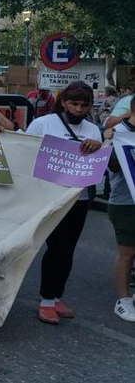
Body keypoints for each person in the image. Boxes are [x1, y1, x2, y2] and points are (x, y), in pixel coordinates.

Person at [24, 81, 103, 324]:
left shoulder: (92, 129)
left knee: (68, 250)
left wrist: (98, 148)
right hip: (49, 197)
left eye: (84, 104)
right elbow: (26, 152)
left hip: (78, 198)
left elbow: (97, 163)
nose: (79, 109)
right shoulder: (42, 124)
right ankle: (46, 300)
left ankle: (57, 296)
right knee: (57, 248)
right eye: (74, 103)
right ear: (64, 103)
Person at [105, 112, 135, 321]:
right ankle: (123, 300)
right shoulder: (118, 134)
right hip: (125, 204)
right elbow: (113, 167)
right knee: (127, 254)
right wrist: (109, 141)